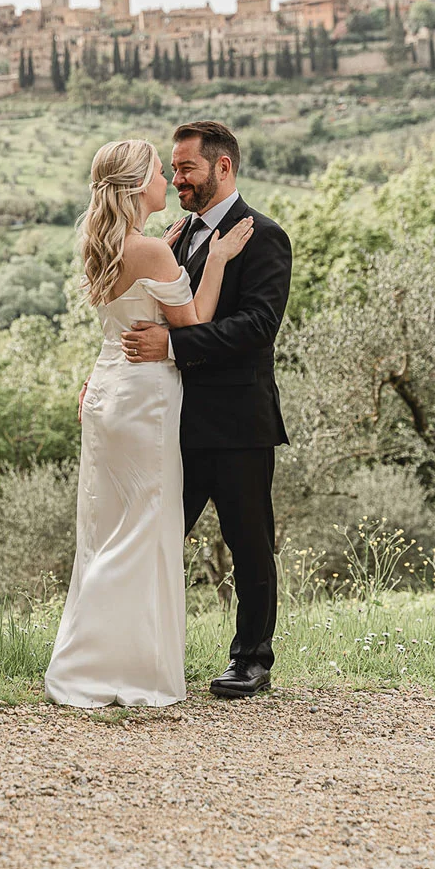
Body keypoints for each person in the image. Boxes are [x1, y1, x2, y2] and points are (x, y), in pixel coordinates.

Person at [44, 138, 253, 708]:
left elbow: (122, 320)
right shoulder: (157, 253)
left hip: (107, 391)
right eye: (162, 172)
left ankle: (95, 659)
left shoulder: (102, 243)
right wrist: (215, 259)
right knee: (144, 529)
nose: (170, 181)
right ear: (140, 187)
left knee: (108, 526)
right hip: (146, 400)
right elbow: (195, 323)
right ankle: (124, 666)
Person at [120, 120, 292, 698]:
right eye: (173, 169)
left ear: (223, 167)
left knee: (248, 543)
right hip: (171, 419)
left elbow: (255, 327)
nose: (177, 179)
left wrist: (173, 345)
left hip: (239, 424)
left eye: (187, 168)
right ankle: (141, 651)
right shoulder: (177, 237)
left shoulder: (264, 237)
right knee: (160, 538)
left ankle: (252, 661)